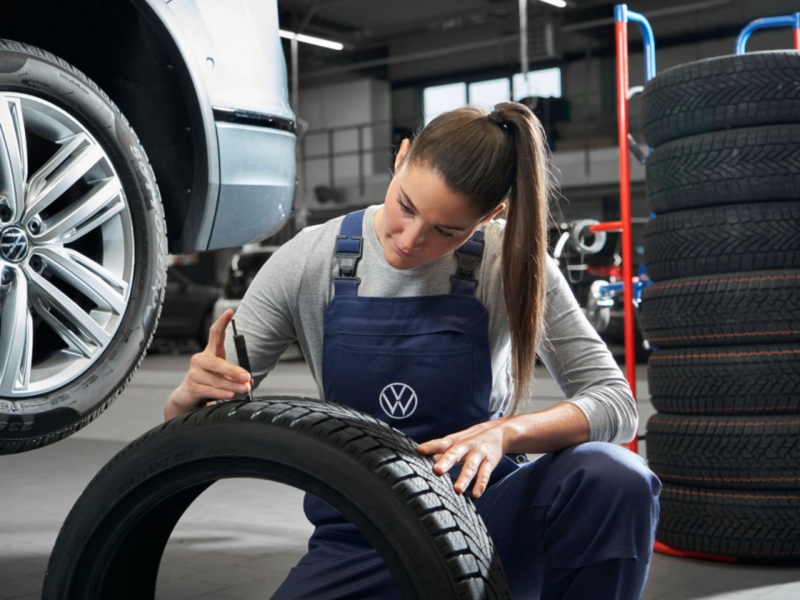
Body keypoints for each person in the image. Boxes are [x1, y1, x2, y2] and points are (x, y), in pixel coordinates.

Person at [164, 102, 661, 599]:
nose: (409, 239)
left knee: (613, 478)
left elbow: (615, 402)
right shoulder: (307, 260)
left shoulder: (507, 260)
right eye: (406, 206)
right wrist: (189, 399)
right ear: (401, 158)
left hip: (484, 523)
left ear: (491, 215)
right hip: (360, 536)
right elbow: (191, 430)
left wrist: (505, 434)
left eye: (447, 231)